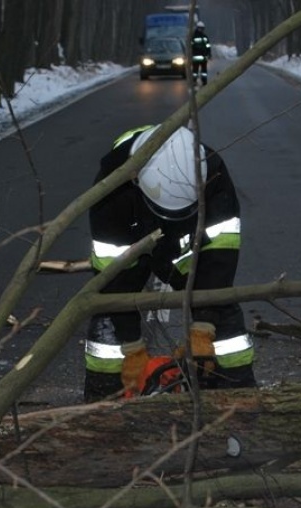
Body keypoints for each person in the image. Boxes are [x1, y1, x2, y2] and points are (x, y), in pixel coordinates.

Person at [83, 125, 256, 400]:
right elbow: (113, 279)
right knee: (108, 320)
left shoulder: (214, 175)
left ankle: (238, 397)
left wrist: (203, 328)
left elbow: (219, 256)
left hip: (184, 246)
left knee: (221, 307)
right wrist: (132, 346)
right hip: (133, 240)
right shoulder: (110, 189)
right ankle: (102, 408)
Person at [191, 21, 211, 86]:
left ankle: (204, 81)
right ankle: (194, 81)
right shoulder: (193, 37)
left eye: (202, 28)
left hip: (203, 57)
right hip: (196, 57)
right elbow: (191, 47)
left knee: (204, 71)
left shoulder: (205, 37)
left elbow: (208, 46)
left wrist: (209, 54)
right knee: (195, 71)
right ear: (197, 28)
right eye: (200, 28)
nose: (201, 29)